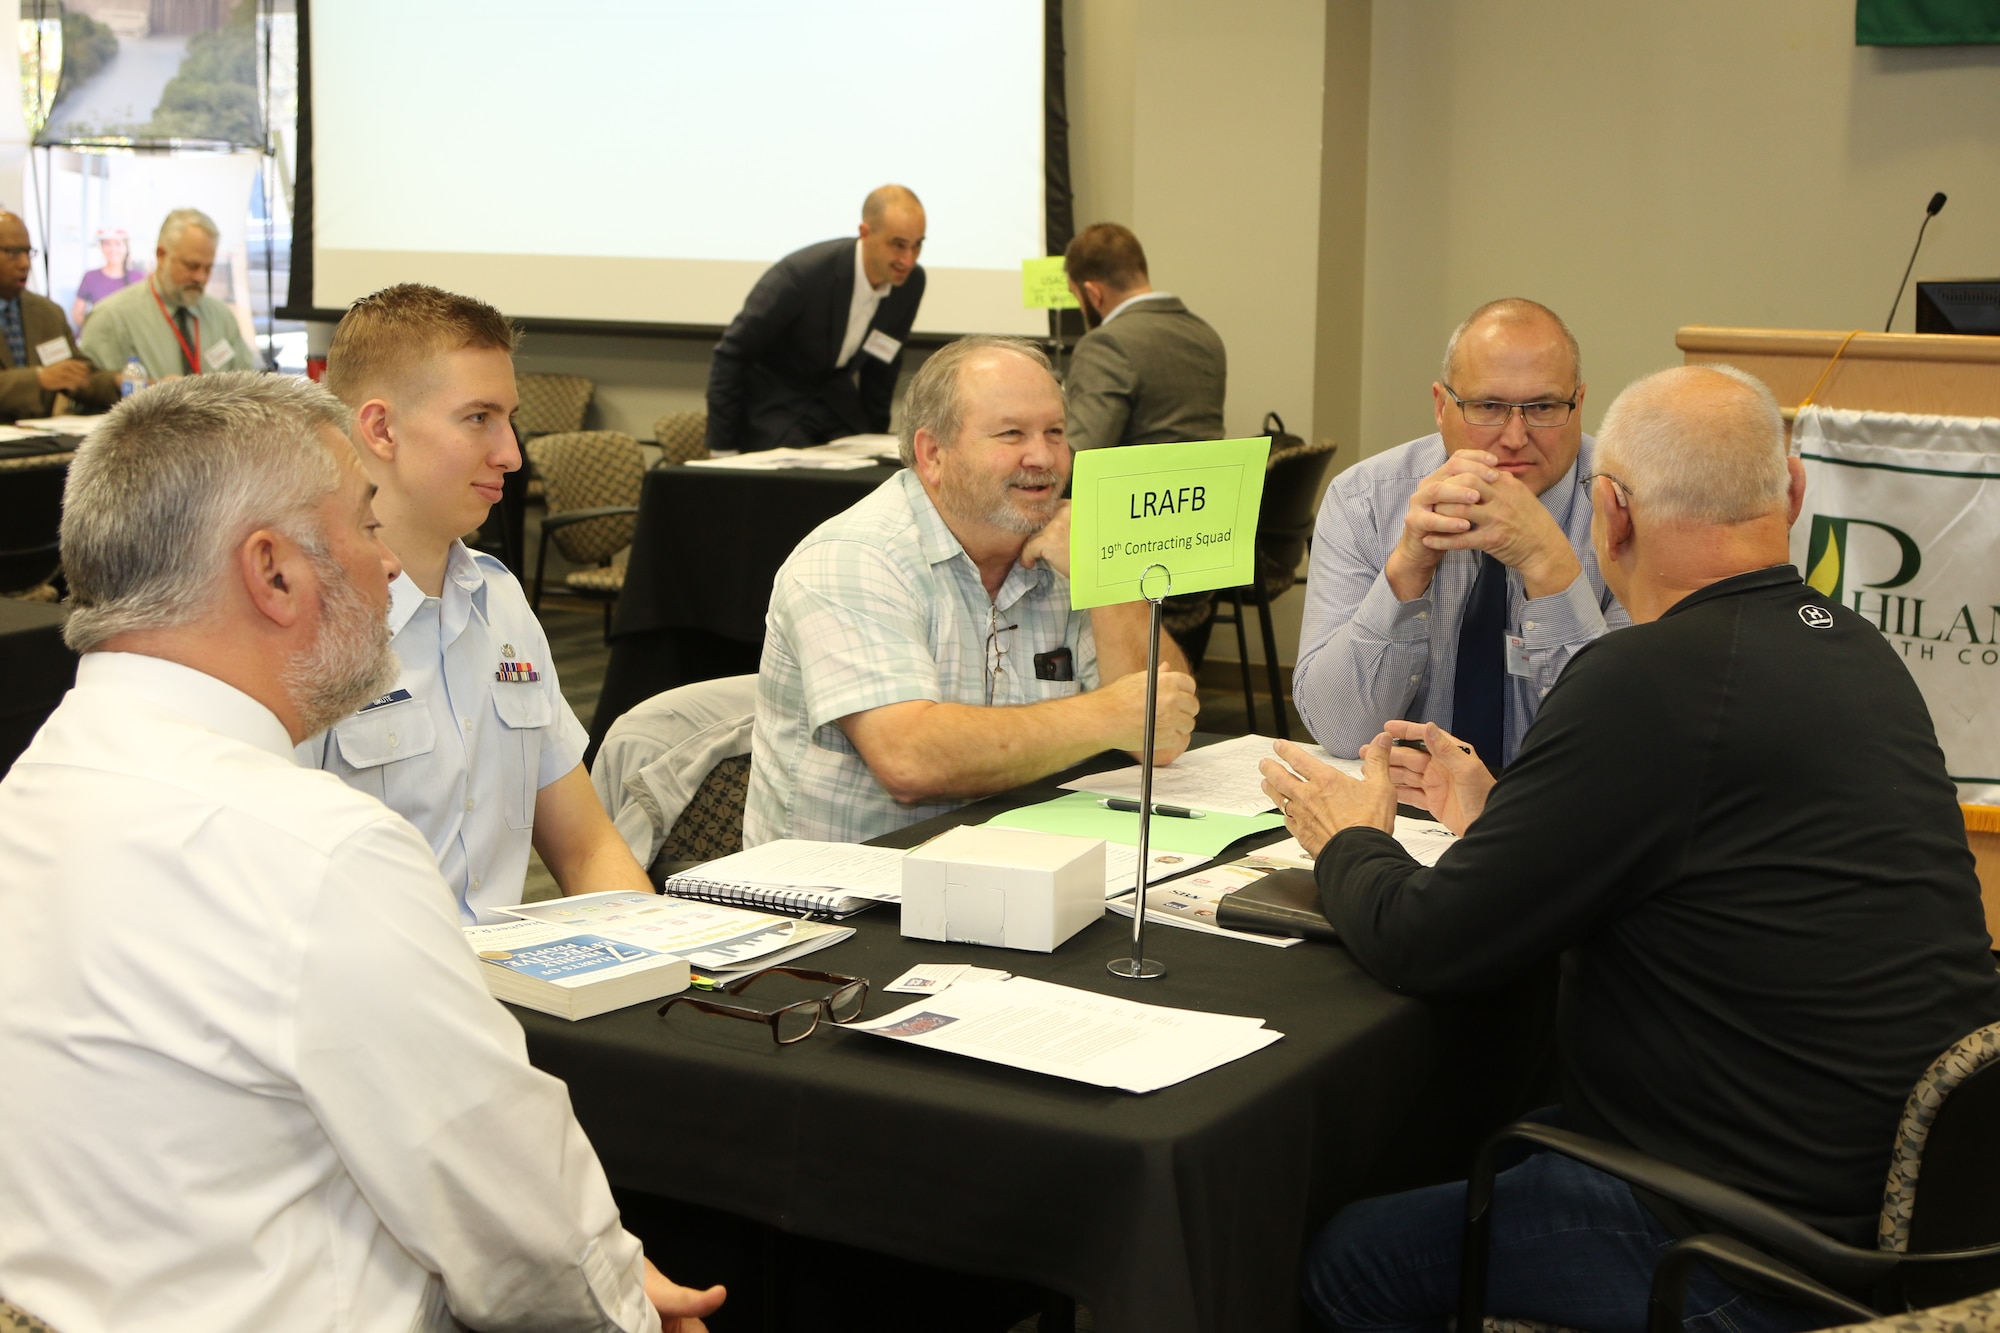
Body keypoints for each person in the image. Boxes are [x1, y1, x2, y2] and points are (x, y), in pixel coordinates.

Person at [1258, 365, 2000, 1333]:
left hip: (1748, 1243)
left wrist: (1347, 840)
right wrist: (1498, 821)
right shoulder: (1851, 648)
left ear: (1608, 514)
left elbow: (1424, 940)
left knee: (1339, 1259)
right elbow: (1704, 869)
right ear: (1792, 493)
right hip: (1902, 1201)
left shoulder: (1643, 680)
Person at [0, 372, 723, 1332]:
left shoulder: (38, 785)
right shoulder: (318, 851)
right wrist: (628, 1305)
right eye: (366, 523)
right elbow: (520, 1230)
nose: (388, 567)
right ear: (275, 572)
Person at [745, 334, 1200, 846]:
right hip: (848, 897)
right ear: (932, 453)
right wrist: (1109, 715)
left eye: (1055, 431)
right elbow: (909, 759)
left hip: (1016, 866)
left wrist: (1106, 577)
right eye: (1011, 434)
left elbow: (1163, 735)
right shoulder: (854, 557)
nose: (1042, 456)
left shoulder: (1062, 546)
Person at [301, 283, 655, 922]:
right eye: (478, 418)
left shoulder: (500, 600)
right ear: (381, 428)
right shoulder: (303, 624)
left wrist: (664, 965)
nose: (511, 454)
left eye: (509, 420)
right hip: (372, 1001)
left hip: (502, 995)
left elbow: (587, 849)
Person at [1292, 298, 1629, 771]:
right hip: (1407, 818)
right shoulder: (1365, 499)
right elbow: (1339, 729)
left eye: (1544, 406)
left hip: (1565, 818)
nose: (1515, 436)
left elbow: (1618, 738)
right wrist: (1406, 571)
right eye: (1488, 406)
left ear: (1578, 404)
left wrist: (1546, 560)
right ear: (1440, 405)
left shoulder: (1629, 508)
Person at [704, 184, 927, 454]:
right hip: (775, 404)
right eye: (898, 245)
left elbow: (882, 364)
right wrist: (722, 448)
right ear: (865, 233)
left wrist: (876, 439)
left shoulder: (910, 284)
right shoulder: (802, 276)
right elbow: (731, 355)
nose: (908, 260)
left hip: (836, 407)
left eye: (917, 246)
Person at [1061, 222, 1226, 453]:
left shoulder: (1104, 344)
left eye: (1076, 296)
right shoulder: (1205, 334)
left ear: (1093, 293)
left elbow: (1081, 453)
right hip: (1205, 488)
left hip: (1130, 489)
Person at [79, 206, 258, 381]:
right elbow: (91, 394)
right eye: (192, 266)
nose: (201, 277)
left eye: (208, 268)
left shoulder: (221, 316)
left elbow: (249, 385)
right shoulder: (111, 318)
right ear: (161, 255)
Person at [0, 211, 118, 421]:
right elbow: (47, 378)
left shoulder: (47, 314)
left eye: (28, 253)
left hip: (39, 445)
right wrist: (38, 379)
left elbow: (79, 377)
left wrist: (118, 382)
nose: (25, 263)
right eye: (12, 252)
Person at [70, 225, 145, 328]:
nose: (113, 249)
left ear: (126, 247)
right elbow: (77, 315)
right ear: (101, 247)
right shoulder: (90, 277)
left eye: (118, 244)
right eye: (107, 244)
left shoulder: (139, 278)